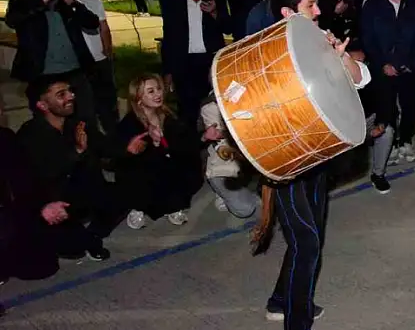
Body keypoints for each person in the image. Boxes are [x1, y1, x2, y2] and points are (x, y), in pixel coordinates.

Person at [251, 0, 371, 328]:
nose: (320, 11)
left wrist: (341, 59)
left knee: (310, 237)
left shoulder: (319, 39)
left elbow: (361, 78)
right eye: (310, 6)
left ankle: (279, 300)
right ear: (289, 12)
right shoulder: (266, 51)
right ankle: (296, 320)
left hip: (317, 154)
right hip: (286, 161)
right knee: (307, 241)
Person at [16, 78, 133, 263]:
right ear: (42, 105)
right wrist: (77, 151)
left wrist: (128, 147)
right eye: (61, 95)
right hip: (55, 201)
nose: (71, 96)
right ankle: (79, 237)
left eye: (69, 91)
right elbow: (43, 174)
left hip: (84, 192)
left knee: (127, 194)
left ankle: (92, 236)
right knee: (72, 249)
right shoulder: (30, 135)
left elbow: (104, 145)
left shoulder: (77, 124)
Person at [6, 0, 101, 129]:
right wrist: (43, 2)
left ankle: (90, 153)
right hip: (43, 75)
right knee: (49, 125)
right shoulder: (21, 3)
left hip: (75, 71)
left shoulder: (62, 1)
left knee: (86, 119)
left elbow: (93, 23)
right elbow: (14, 20)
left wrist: (74, 5)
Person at [116, 74, 207, 229]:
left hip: (166, 167)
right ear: (138, 99)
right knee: (142, 174)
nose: (158, 94)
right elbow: (122, 157)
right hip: (142, 171)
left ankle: (173, 206)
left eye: (158, 89)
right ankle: (138, 207)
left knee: (185, 166)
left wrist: (204, 137)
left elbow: (185, 143)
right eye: (150, 91)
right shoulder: (130, 124)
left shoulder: (168, 116)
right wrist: (153, 144)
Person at [363, 0, 415, 171]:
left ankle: (406, 143)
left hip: (409, 67)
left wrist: (410, 63)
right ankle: (388, 146)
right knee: (386, 107)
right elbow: (368, 39)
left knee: (410, 106)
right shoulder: (372, 7)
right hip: (383, 68)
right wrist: (383, 64)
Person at [159, 0, 231, 131]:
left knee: (213, 108)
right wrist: (168, 71)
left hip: (210, 62)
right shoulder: (173, 1)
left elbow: (228, 28)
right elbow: (169, 37)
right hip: (185, 63)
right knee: (188, 112)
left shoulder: (216, 0)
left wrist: (214, 12)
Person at [0, 126, 62, 284]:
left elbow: (23, 178)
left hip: (8, 210)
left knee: (42, 266)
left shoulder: (5, 137)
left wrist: (43, 206)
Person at [63, 0, 118, 136]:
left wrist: (108, 49)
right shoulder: (55, 3)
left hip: (99, 60)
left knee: (107, 104)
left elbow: (102, 25)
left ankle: (115, 138)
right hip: (76, 64)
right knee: (84, 108)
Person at [199, 99, 261, 217]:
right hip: (225, 160)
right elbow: (218, 145)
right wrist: (220, 134)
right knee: (245, 209)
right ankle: (221, 191)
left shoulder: (253, 94)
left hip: (252, 155)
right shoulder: (211, 107)